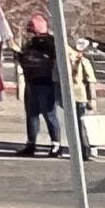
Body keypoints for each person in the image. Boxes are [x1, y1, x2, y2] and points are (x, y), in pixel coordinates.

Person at [15, 14, 66, 157]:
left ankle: (56, 145)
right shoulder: (29, 44)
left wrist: (27, 58)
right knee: (31, 115)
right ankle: (31, 144)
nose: (29, 33)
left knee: (49, 115)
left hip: (46, 83)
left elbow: (53, 61)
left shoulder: (50, 43)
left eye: (31, 29)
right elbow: (24, 58)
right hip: (30, 82)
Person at [66, 42, 101, 161]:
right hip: (73, 98)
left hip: (82, 98)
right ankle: (80, 151)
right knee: (76, 126)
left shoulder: (82, 62)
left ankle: (89, 150)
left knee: (84, 126)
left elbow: (90, 82)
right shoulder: (68, 63)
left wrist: (92, 99)